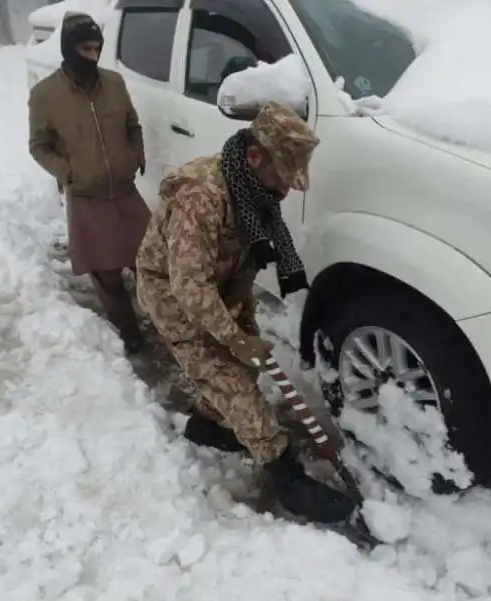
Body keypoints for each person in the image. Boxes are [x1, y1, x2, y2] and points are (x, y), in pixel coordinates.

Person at [135, 102, 354, 525]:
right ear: (254, 157)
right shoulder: (201, 197)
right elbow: (187, 285)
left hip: (220, 285)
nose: (286, 190)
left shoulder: (254, 193)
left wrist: (242, 322)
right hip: (173, 294)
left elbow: (239, 259)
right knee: (234, 383)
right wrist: (232, 338)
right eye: (282, 175)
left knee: (241, 367)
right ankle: (287, 477)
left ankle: (208, 425)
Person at [28, 12, 150, 353]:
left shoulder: (114, 83)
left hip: (125, 192)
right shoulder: (45, 94)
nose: (93, 56)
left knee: (150, 260)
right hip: (86, 195)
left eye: (97, 49)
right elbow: (38, 146)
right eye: (85, 48)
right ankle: (130, 333)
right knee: (107, 273)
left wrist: (134, 156)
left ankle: (167, 322)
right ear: (69, 49)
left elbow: (132, 125)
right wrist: (68, 172)